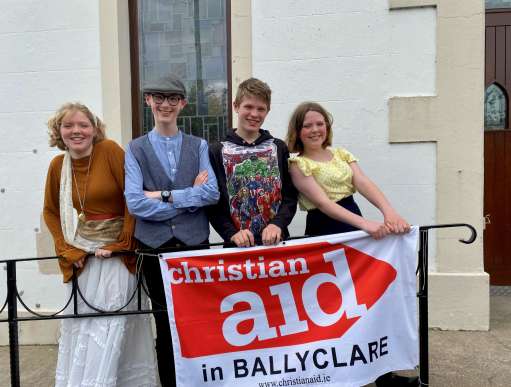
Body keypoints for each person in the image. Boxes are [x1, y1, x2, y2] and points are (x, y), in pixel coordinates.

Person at [286, 101, 418, 387]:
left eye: (319, 123)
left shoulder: (342, 154)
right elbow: (322, 203)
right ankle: (335, 375)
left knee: (368, 301)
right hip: (326, 228)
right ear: (297, 131)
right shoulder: (297, 163)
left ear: (327, 126)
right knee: (334, 306)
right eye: (307, 125)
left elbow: (364, 183)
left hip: (354, 223)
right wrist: (366, 225)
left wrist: (388, 212)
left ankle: (382, 375)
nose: (314, 129)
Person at [43, 102, 158, 386]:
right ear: (59, 131)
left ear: (94, 129)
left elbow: (133, 199)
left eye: (83, 125)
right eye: (68, 126)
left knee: (113, 327)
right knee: (84, 328)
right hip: (83, 257)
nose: (76, 131)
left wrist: (123, 243)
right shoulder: (58, 165)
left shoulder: (109, 152)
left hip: (116, 257)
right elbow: (50, 212)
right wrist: (66, 250)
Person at [125, 74, 219, 386]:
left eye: (173, 98)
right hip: (154, 248)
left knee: (200, 319)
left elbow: (211, 194)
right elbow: (136, 203)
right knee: (164, 324)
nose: (166, 104)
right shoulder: (135, 149)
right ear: (148, 101)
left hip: (194, 244)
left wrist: (163, 195)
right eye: (159, 97)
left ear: (183, 104)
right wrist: (187, 197)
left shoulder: (199, 145)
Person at [208, 77, 297, 247]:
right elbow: (213, 204)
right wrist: (231, 233)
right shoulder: (216, 151)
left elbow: (290, 196)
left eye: (261, 109)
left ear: (267, 111)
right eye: (248, 107)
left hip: (277, 244)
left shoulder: (278, 147)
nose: (254, 114)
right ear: (235, 106)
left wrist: (277, 224)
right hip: (236, 247)